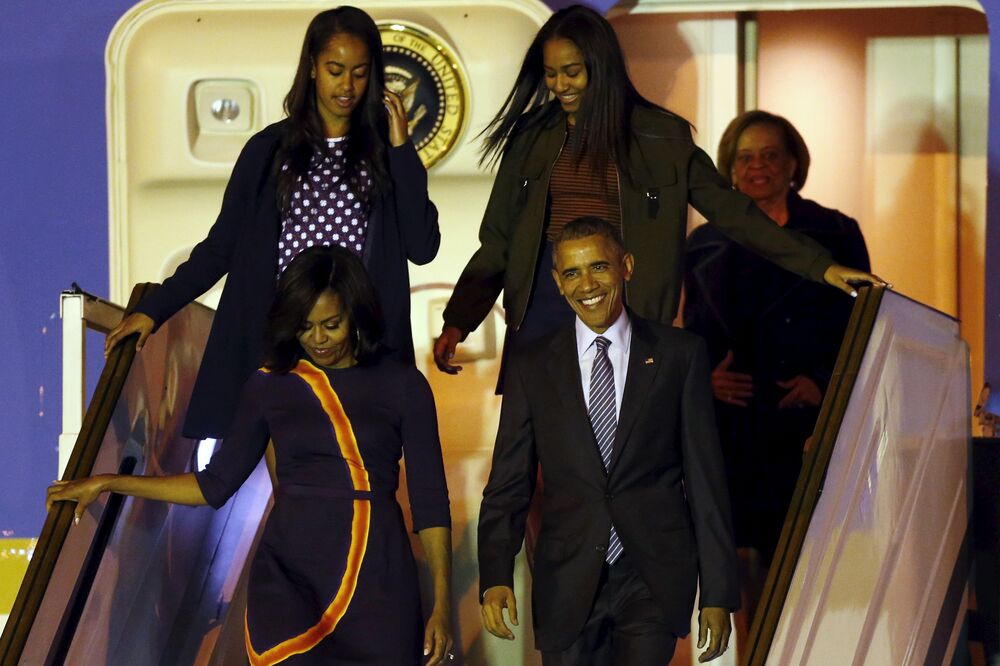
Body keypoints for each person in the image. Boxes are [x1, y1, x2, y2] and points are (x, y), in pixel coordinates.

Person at [433, 4, 880, 385]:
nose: (559, 85)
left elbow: (735, 214)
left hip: (628, 307)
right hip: (546, 305)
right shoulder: (531, 138)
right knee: (534, 453)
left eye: (572, 72)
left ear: (601, 67)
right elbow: (497, 242)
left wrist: (822, 267)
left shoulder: (662, 137)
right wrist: (459, 319)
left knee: (622, 453)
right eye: (550, 74)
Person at [49, 246, 454, 665]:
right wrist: (110, 482)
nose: (317, 339)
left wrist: (442, 606)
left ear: (357, 314)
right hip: (289, 576)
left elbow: (430, 504)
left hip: (378, 576)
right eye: (305, 326)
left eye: (331, 325)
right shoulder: (270, 384)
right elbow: (214, 485)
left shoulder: (403, 385)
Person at [105, 6, 440, 441]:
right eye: (335, 70)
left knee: (359, 476)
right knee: (293, 489)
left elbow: (422, 245)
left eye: (359, 72)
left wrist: (401, 149)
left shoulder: (387, 154)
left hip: (360, 344)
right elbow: (220, 247)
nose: (347, 85)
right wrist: (154, 309)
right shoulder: (268, 151)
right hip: (283, 341)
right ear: (313, 69)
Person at [478, 217, 738, 665]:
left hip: (652, 575)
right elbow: (509, 481)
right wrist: (495, 573)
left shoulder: (680, 355)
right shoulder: (533, 364)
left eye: (599, 267)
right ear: (558, 284)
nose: (587, 284)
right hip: (567, 579)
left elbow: (706, 483)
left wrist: (717, 593)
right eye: (573, 273)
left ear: (627, 267)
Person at [683, 110, 872, 623]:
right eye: (745, 157)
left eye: (770, 155)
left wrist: (824, 383)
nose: (757, 166)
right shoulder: (703, 243)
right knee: (739, 572)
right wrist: (705, 380)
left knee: (809, 567)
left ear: (793, 163)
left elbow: (863, 324)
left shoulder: (836, 233)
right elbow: (689, 335)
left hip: (808, 424)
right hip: (733, 428)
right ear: (730, 168)